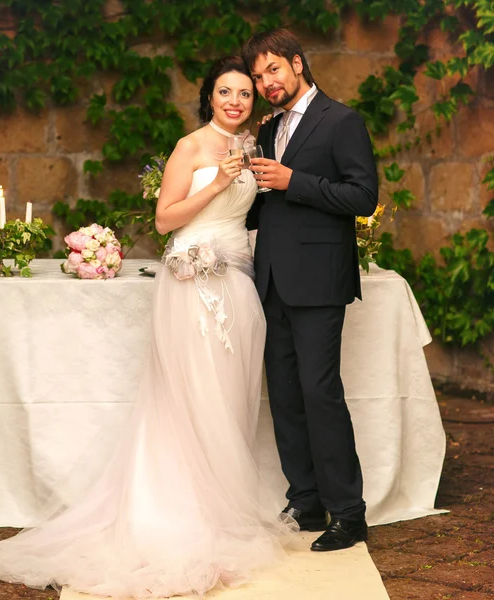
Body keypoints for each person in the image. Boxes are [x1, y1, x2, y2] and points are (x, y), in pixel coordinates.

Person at [0, 56, 296, 598]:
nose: (236, 101)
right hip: (191, 281)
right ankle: (177, 514)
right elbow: (165, 219)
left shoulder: (254, 147)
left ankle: (223, 509)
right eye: (225, 92)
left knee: (230, 401)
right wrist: (217, 185)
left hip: (238, 283)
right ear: (209, 96)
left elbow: (250, 215)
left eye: (245, 95)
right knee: (190, 399)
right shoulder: (191, 147)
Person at [241, 29, 379, 552]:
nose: (265, 82)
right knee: (285, 395)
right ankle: (306, 500)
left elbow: (363, 196)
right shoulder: (269, 126)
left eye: (272, 69)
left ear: (298, 64)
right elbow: (263, 205)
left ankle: (349, 513)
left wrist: (291, 179)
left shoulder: (342, 121)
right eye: (258, 76)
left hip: (319, 281)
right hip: (271, 278)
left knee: (321, 394)